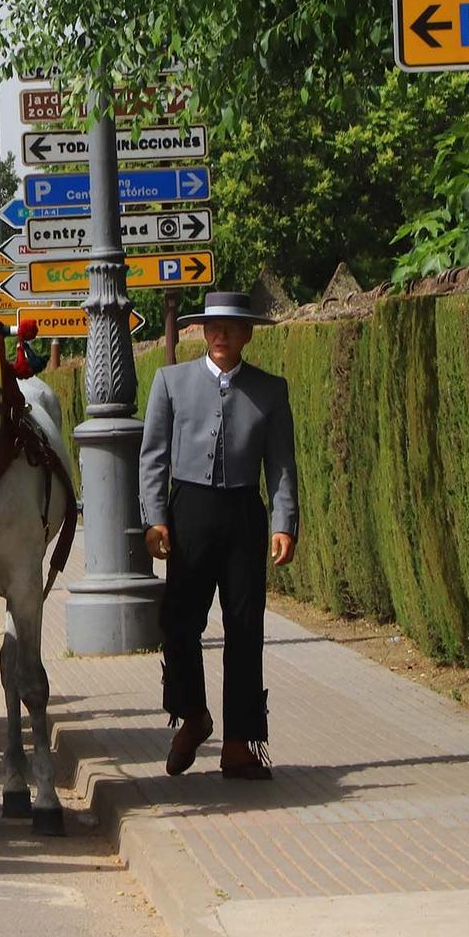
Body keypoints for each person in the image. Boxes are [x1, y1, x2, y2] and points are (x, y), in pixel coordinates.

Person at [138, 291, 299, 780]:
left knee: (245, 627)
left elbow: (283, 466)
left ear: (247, 333)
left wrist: (283, 523)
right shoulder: (170, 381)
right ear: (202, 331)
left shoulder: (270, 391)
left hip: (243, 514)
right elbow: (153, 458)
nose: (221, 335)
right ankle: (192, 716)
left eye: (231, 327)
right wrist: (155, 518)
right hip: (189, 512)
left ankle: (240, 742)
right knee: (180, 622)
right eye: (213, 326)